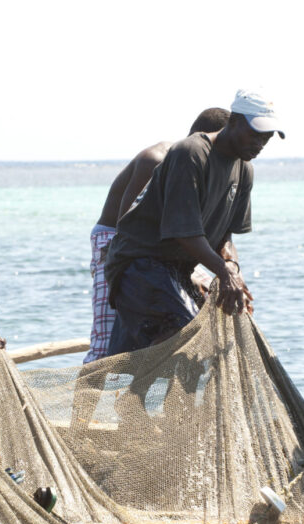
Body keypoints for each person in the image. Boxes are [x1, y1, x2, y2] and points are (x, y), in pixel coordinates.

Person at [103, 90, 282, 356]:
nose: (261, 142)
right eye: (255, 133)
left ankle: (136, 393)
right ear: (233, 121)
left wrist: (233, 266)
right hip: (139, 264)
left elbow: (225, 236)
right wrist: (224, 273)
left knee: (124, 362)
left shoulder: (245, 169)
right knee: (191, 336)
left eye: (267, 136)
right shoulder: (191, 153)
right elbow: (183, 232)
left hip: (178, 269)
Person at [84, 107, 231, 363]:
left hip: (163, 251)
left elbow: (205, 231)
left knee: (189, 317)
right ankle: (85, 401)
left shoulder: (206, 170)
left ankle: (149, 392)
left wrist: (227, 275)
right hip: (116, 244)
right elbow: (126, 230)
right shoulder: (157, 160)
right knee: (107, 341)